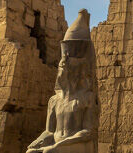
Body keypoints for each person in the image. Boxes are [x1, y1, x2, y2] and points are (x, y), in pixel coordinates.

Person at [26, 9, 98, 153]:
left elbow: (88, 132)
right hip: (58, 145)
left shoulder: (87, 98)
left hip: (80, 145)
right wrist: (37, 142)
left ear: (78, 71)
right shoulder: (54, 100)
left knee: (50, 152)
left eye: (68, 68)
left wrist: (60, 145)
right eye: (62, 68)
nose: (64, 72)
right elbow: (49, 131)